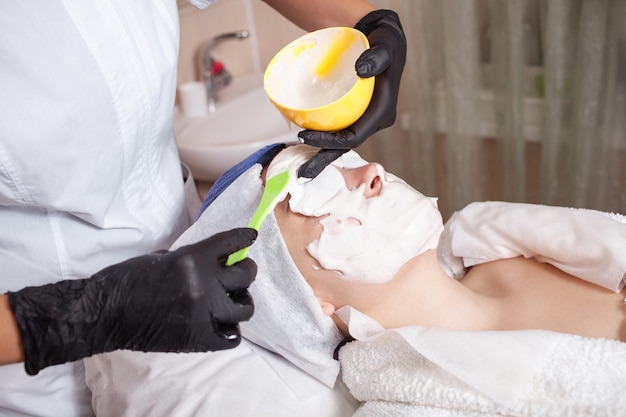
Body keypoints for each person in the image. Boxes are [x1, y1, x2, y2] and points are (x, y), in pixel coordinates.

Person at [0, 1, 406, 416]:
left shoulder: (473, 248)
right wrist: (77, 315)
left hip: (186, 249)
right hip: (36, 355)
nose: (372, 170)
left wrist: (367, 23)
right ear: (312, 307)